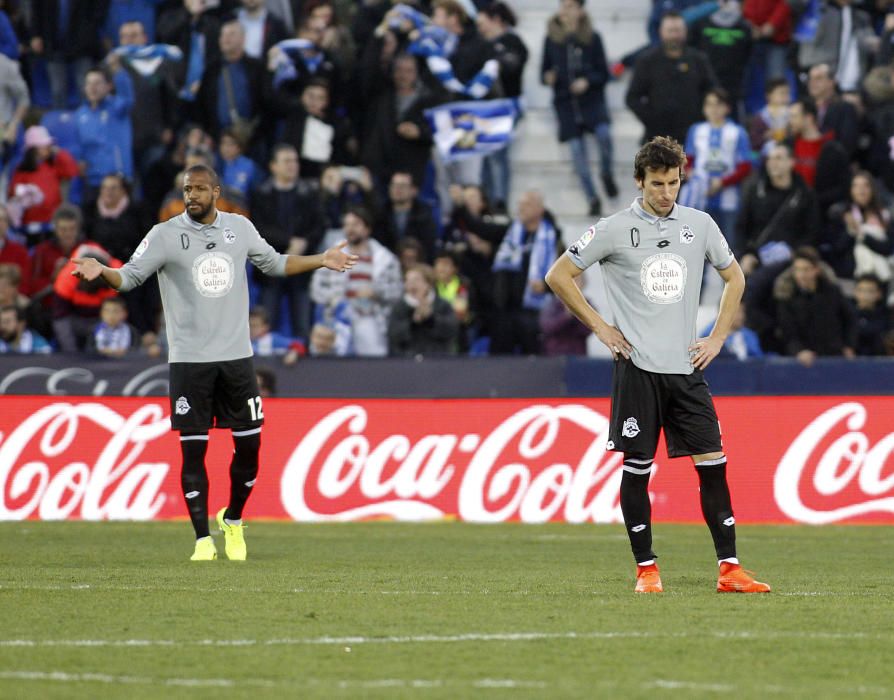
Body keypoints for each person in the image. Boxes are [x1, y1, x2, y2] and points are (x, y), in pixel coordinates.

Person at [70, 163, 357, 561]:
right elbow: (131, 277)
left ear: (216, 192)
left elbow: (274, 264)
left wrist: (320, 259)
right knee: (193, 452)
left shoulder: (239, 229)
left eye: (200, 189)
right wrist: (103, 271)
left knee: (250, 448)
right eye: (188, 189)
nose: (192, 196)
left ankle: (234, 519)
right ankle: (202, 539)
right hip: (189, 361)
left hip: (237, 359)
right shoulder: (164, 235)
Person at [545, 135, 771, 594]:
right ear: (639, 182)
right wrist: (600, 327)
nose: (666, 193)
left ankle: (730, 569)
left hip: (686, 369)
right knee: (638, 469)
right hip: (638, 369)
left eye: (673, 183)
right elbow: (558, 275)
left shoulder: (700, 224)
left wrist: (719, 336)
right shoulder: (612, 229)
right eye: (657, 184)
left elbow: (735, 277)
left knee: (714, 465)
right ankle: (646, 570)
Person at [542, 0, 616, 217]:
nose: (566, 10)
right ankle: (592, 197)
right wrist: (549, 77)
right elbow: (544, 72)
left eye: (571, 6)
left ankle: (606, 171)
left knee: (604, 135)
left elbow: (604, 73)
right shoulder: (552, 39)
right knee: (576, 151)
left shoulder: (593, 38)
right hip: (566, 104)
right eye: (563, 6)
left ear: (581, 10)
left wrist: (587, 81)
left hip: (590, 101)